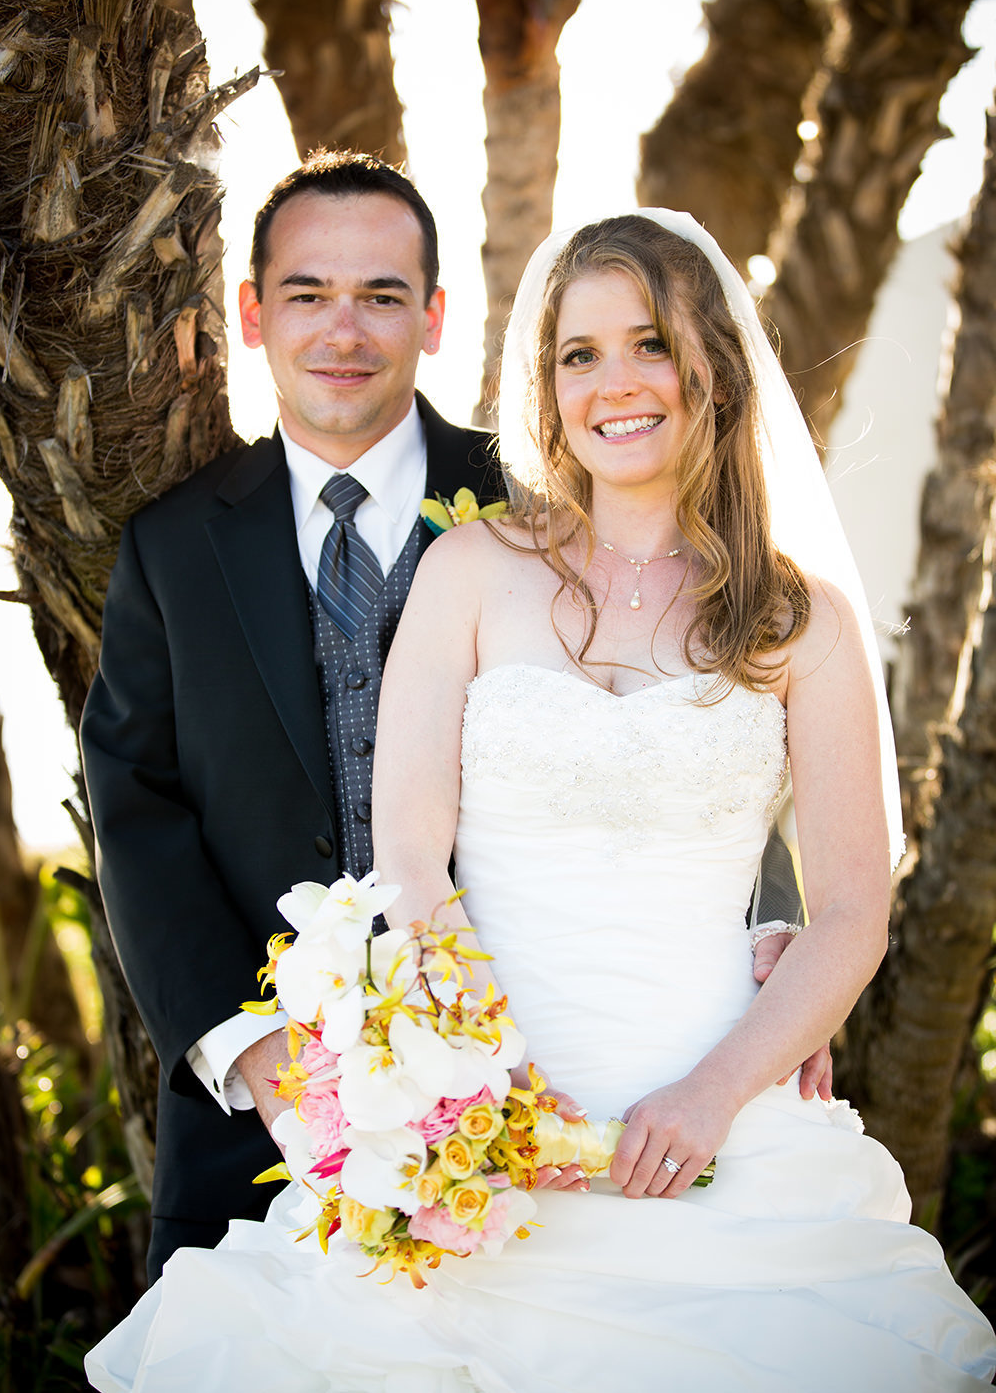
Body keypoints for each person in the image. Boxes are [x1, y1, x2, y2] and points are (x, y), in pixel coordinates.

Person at [86, 210, 995, 1391]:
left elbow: (849, 914)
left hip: (714, 1103)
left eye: (650, 344)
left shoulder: (799, 620)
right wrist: (460, 1079)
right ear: (545, 380)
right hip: (491, 1105)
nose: (614, 384)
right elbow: (408, 853)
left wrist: (717, 1091)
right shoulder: (470, 569)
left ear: (713, 364)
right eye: (579, 354)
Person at [79, 149, 504, 1281]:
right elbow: (137, 806)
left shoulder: (532, 508)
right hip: (259, 1124)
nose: (344, 330)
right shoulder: (172, 549)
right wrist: (251, 1045)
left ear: (435, 316)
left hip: (526, 1071)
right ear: (252, 315)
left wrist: (766, 915)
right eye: (309, 294)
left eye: (382, 295)